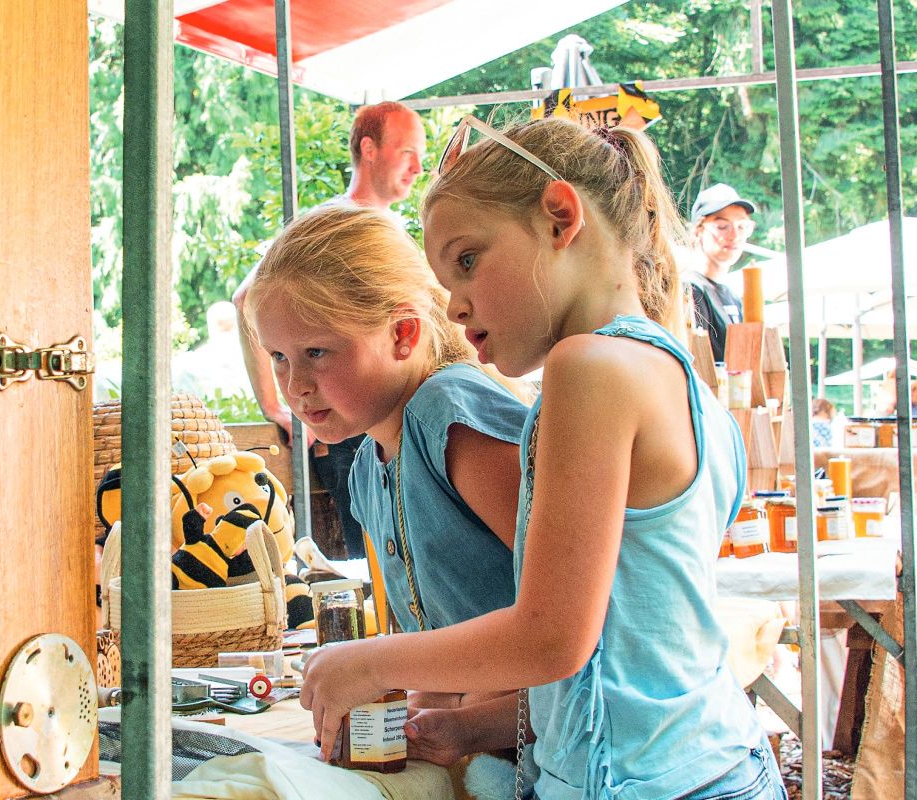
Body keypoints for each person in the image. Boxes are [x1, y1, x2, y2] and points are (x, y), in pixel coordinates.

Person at [299, 117, 782, 798]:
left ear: (559, 217)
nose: (455, 303)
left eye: (467, 260)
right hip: (712, 764)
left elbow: (551, 637)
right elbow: (627, 656)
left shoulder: (587, 368)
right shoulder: (681, 380)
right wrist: (468, 729)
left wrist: (366, 663)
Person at [244, 203, 532, 767]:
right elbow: (439, 661)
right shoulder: (365, 470)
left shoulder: (451, 416)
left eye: (317, 352)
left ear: (403, 333)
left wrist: (468, 726)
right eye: (278, 357)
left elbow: (593, 643)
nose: (296, 384)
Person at [234, 100, 427, 559]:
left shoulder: (387, 226)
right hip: (357, 436)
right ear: (369, 149)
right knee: (383, 560)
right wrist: (275, 405)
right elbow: (247, 299)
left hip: (393, 422)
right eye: (407, 152)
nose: (418, 166)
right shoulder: (333, 226)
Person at [685, 183, 758, 359]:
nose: (734, 236)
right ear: (698, 231)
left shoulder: (733, 296)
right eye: (722, 226)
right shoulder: (689, 290)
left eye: (742, 227)